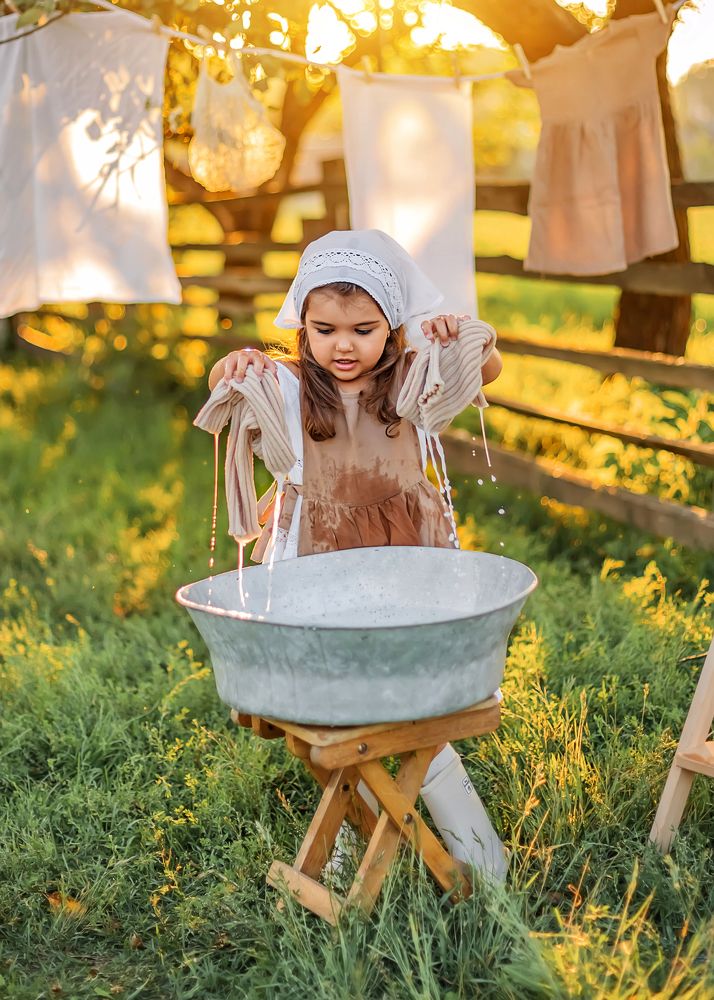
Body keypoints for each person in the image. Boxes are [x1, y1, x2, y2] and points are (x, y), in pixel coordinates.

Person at [203, 229, 508, 881]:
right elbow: (226, 384)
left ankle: (477, 855)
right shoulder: (286, 386)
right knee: (347, 693)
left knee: (409, 693)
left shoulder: (412, 381)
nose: (343, 345)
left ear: (392, 327)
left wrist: (459, 334)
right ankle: (360, 837)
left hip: (403, 556)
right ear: (303, 328)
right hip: (318, 563)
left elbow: (485, 369)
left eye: (363, 330)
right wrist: (231, 366)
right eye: (325, 329)